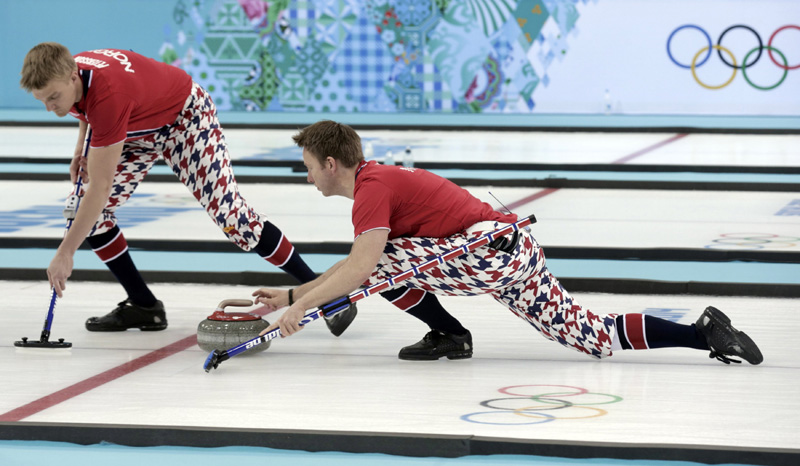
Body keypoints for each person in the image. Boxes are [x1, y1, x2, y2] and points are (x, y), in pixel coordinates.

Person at [251, 120, 763, 366]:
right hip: (509, 250)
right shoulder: (377, 181)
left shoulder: (372, 189)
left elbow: (362, 267)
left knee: (379, 262)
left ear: (330, 164)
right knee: (591, 336)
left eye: (308, 167)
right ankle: (703, 335)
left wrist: (300, 307)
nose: (308, 176)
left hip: (487, 254)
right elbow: (357, 263)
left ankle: (450, 334)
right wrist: (293, 296)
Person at [19, 43, 356, 335]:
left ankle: (327, 294)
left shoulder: (108, 95)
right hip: (136, 123)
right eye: (41, 100)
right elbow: (85, 109)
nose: (50, 108)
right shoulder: (71, 73)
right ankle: (144, 306)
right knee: (90, 217)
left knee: (234, 219)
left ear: (73, 76)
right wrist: (80, 148)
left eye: (53, 97)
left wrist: (66, 252)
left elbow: (101, 187)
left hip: (185, 119)